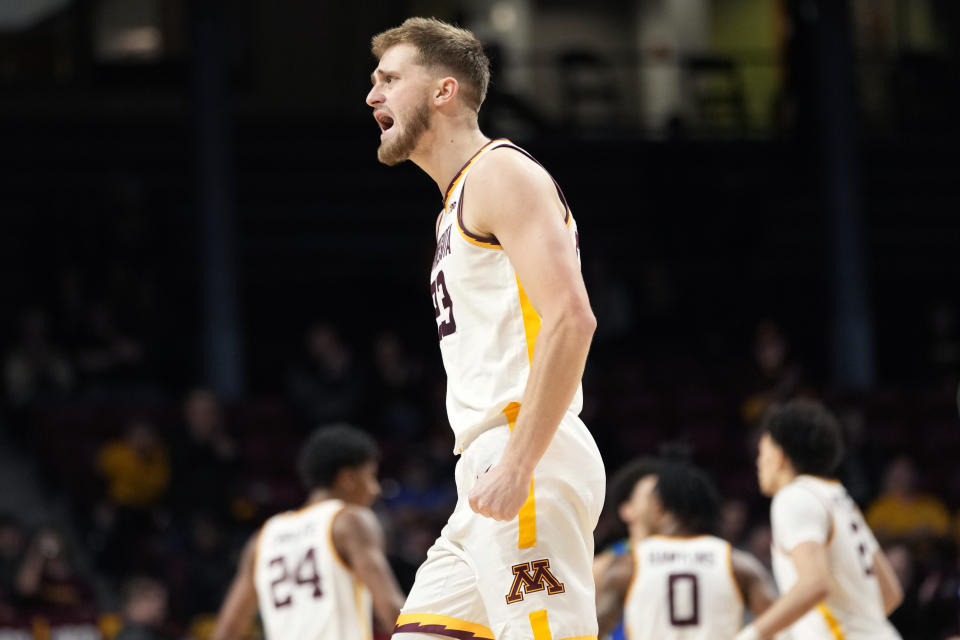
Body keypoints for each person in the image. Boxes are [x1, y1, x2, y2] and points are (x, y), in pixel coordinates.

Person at [366, 18, 605, 639]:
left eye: (390, 79)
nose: (373, 96)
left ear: (444, 91)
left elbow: (572, 318)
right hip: (484, 465)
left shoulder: (500, 172)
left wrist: (520, 462)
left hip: (525, 449)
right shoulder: (455, 204)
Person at [211, 424, 404, 640]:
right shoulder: (349, 522)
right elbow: (389, 607)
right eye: (370, 476)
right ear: (347, 478)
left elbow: (227, 630)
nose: (375, 489)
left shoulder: (262, 539)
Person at [735, 399, 904, 640]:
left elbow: (816, 583)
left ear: (780, 455)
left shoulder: (794, 496)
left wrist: (751, 634)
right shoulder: (839, 498)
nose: (758, 462)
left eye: (762, 453)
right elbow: (890, 593)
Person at [596, 459, 775, 639]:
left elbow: (589, 629)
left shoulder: (628, 565)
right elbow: (782, 627)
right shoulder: (737, 563)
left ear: (660, 507)